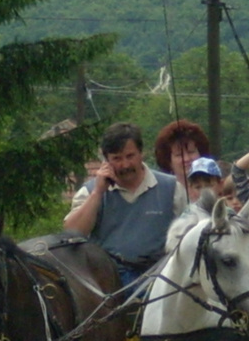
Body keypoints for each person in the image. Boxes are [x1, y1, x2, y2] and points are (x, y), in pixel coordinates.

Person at [63, 122, 180, 285]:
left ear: (141, 153)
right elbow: (72, 233)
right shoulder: (90, 192)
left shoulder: (172, 187)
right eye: (117, 159)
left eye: (130, 156)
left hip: (159, 278)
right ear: (106, 161)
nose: (125, 165)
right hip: (107, 281)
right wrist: (98, 193)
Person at [153, 120, 211, 209]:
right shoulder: (162, 193)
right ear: (168, 160)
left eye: (191, 152)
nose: (187, 159)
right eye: (178, 155)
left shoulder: (213, 184)